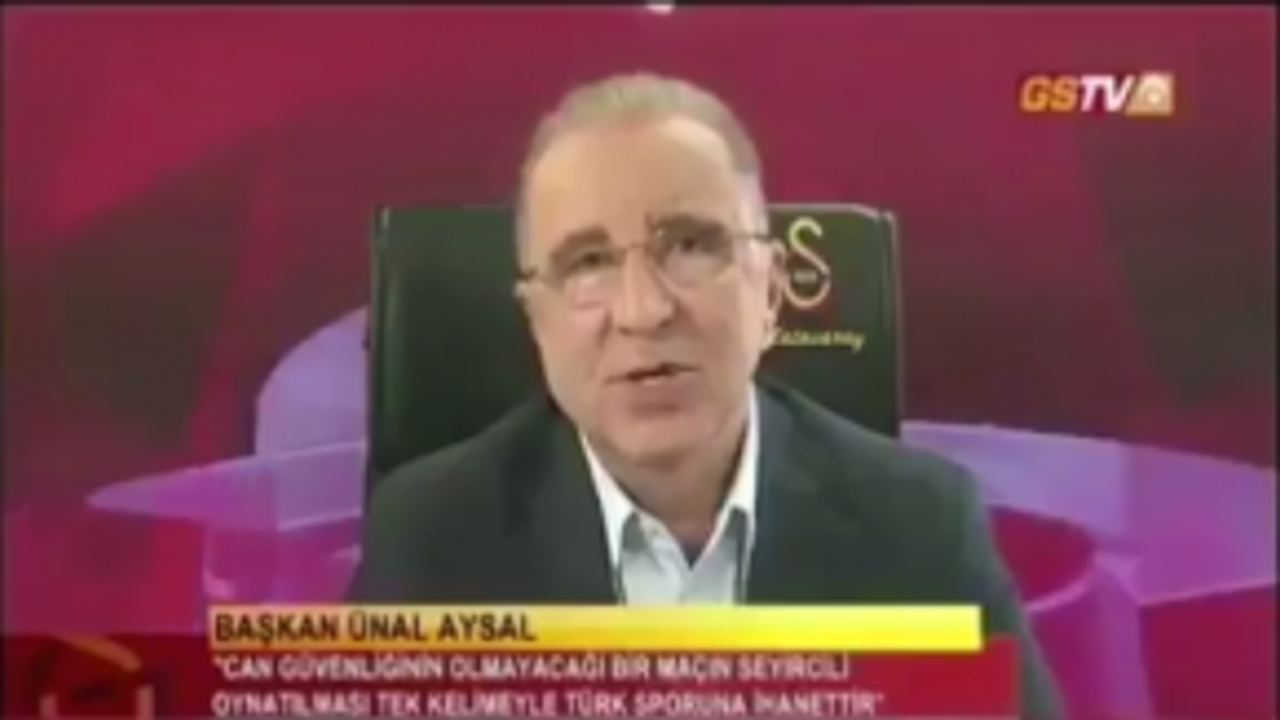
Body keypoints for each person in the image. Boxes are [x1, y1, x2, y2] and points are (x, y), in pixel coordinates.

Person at [349, 73, 1063, 717]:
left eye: (690, 246)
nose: (643, 311)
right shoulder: (430, 539)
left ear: (771, 291)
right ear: (538, 322)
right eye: (588, 263)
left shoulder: (922, 524)